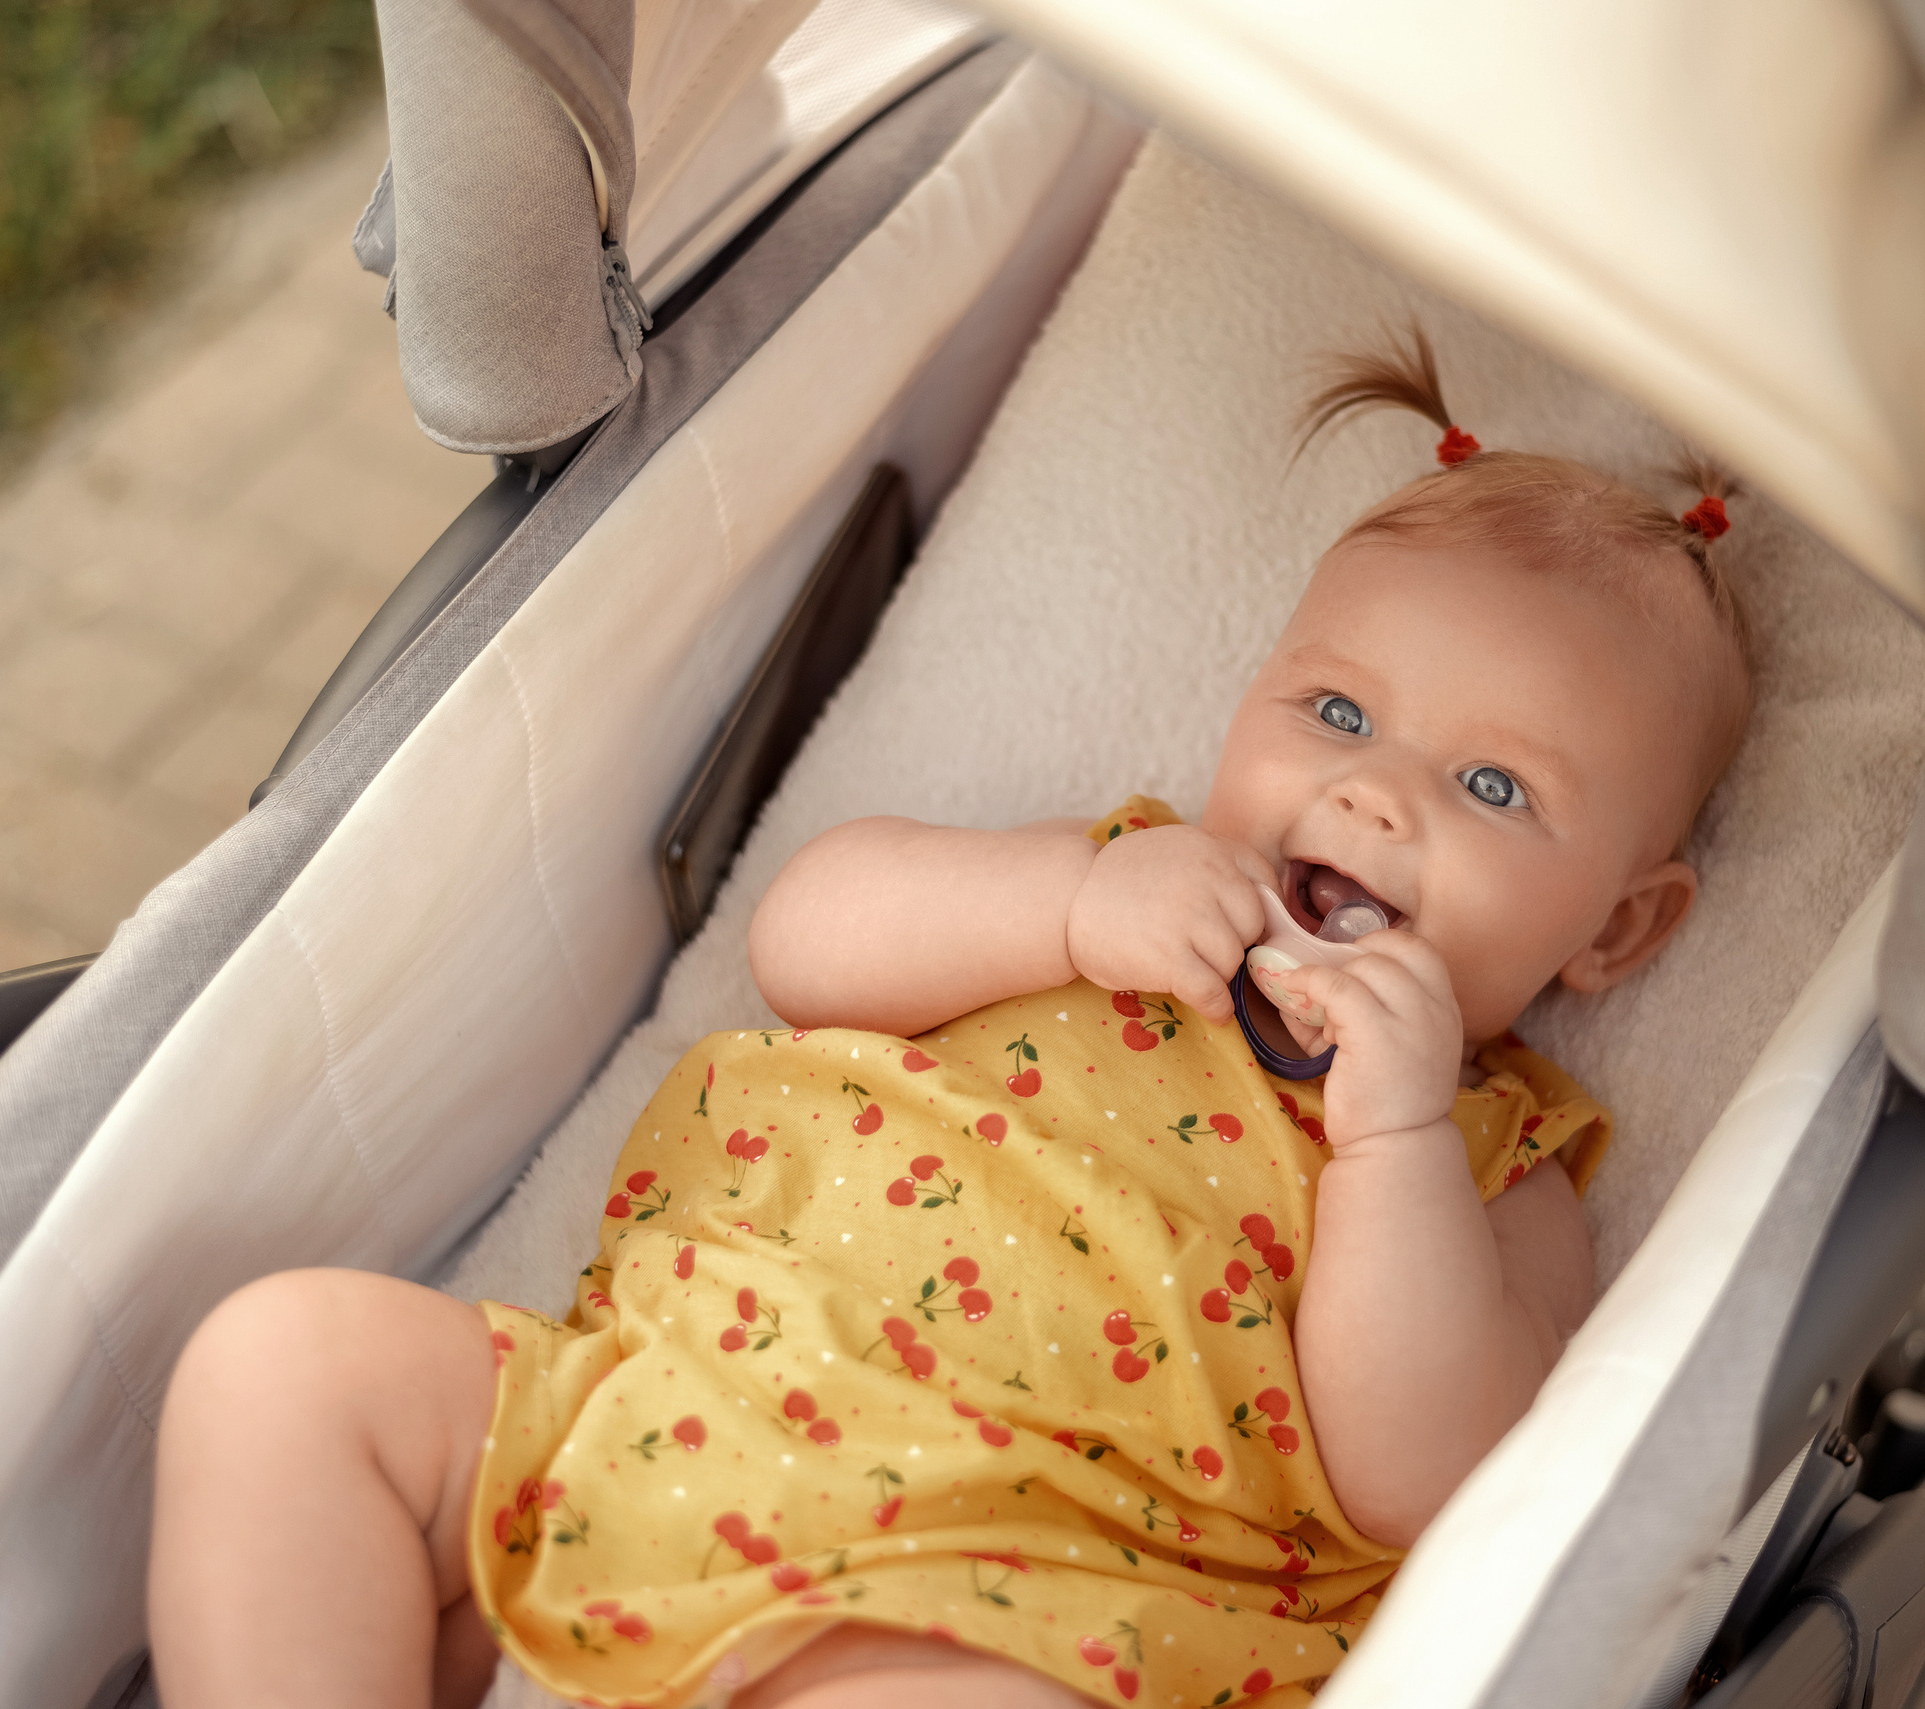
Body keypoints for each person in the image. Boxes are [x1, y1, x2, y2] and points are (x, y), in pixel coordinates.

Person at [147, 331, 1752, 1709]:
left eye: (1491, 787)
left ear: (1616, 925)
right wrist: (1063, 906)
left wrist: (1391, 1135)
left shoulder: (1493, 1159)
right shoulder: (1110, 880)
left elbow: (1434, 1475)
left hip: (1014, 1587)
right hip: (677, 1395)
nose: (1373, 793)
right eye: (1336, 712)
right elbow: (804, 935)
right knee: (283, 1363)